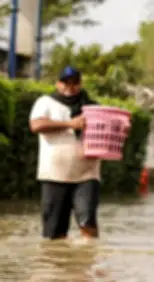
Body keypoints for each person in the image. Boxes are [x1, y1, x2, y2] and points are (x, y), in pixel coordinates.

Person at [29, 66, 101, 240]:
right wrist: (70, 124)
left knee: (87, 222)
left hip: (86, 174)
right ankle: (58, 265)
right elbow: (36, 125)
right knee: (54, 232)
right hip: (54, 175)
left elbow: (109, 127)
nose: (70, 87)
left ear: (80, 84)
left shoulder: (92, 107)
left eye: (74, 83)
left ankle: (88, 261)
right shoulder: (45, 102)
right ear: (57, 84)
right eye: (65, 83)